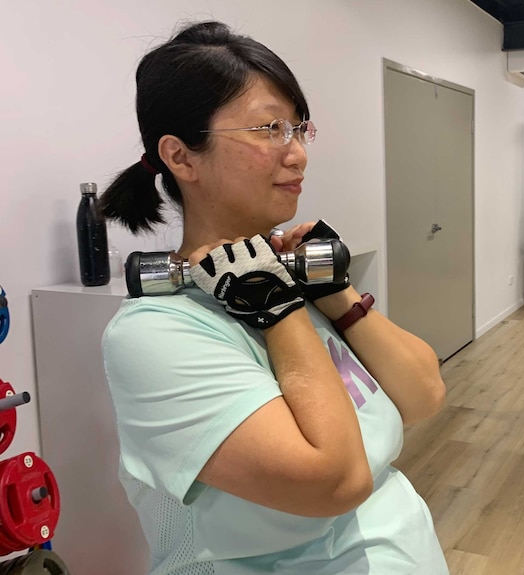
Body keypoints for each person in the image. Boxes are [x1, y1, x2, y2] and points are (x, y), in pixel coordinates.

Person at [99, 20, 449, 574]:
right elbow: (336, 481)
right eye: (268, 129)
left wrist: (334, 293)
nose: (297, 155)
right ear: (181, 157)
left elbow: (425, 392)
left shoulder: (289, 277)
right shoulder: (155, 334)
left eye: (298, 128)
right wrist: (275, 307)